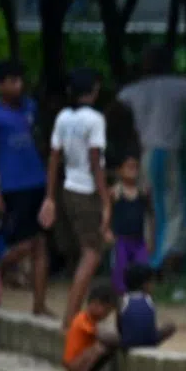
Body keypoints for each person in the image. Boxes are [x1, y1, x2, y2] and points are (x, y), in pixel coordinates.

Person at [117, 46, 186, 272]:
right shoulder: (178, 85)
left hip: (144, 154)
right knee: (172, 209)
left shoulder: (134, 90)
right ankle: (162, 262)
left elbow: (115, 108)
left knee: (150, 208)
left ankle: (146, 259)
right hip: (166, 152)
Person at [0, 60, 51, 316]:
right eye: (12, 81)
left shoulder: (30, 107)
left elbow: (40, 144)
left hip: (37, 182)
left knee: (41, 244)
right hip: (12, 185)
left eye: (20, 80)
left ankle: (39, 305)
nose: (18, 85)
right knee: (25, 244)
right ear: (0, 85)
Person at [46, 67, 112, 329]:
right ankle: (71, 317)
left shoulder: (63, 117)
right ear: (93, 91)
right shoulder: (95, 120)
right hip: (86, 190)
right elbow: (95, 160)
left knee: (85, 250)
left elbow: (54, 157)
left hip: (68, 188)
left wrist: (50, 196)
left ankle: (74, 312)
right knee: (92, 253)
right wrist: (106, 199)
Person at [110, 150, 153, 295]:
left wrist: (151, 239)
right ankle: (122, 309)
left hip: (139, 241)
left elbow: (151, 215)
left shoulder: (143, 192)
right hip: (121, 241)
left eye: (135, 167)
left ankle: (144, 307)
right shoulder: (115, 193)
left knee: (143, 275)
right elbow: (107, 214)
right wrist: (107, 231)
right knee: (120, 277)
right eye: (129, 167)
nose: (132, 171)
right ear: (120, 170)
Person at [63, 282, 118, 371]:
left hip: (80, 359)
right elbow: (99, 335)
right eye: (107, 311)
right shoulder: (81, 319)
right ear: (95, 304)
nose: (107, 315)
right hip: (73, 363)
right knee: (99, 348)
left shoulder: (92, 321)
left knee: (109, 349)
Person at [117, 263, 177, 349]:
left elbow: (120, 326)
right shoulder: (149, 299)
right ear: (145, 284)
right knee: (170, 326)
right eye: (152, 282)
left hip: (128, 342)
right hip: (150, 342)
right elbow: (150, 324)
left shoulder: (122, 299)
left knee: (105, 335)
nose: (154, 285)